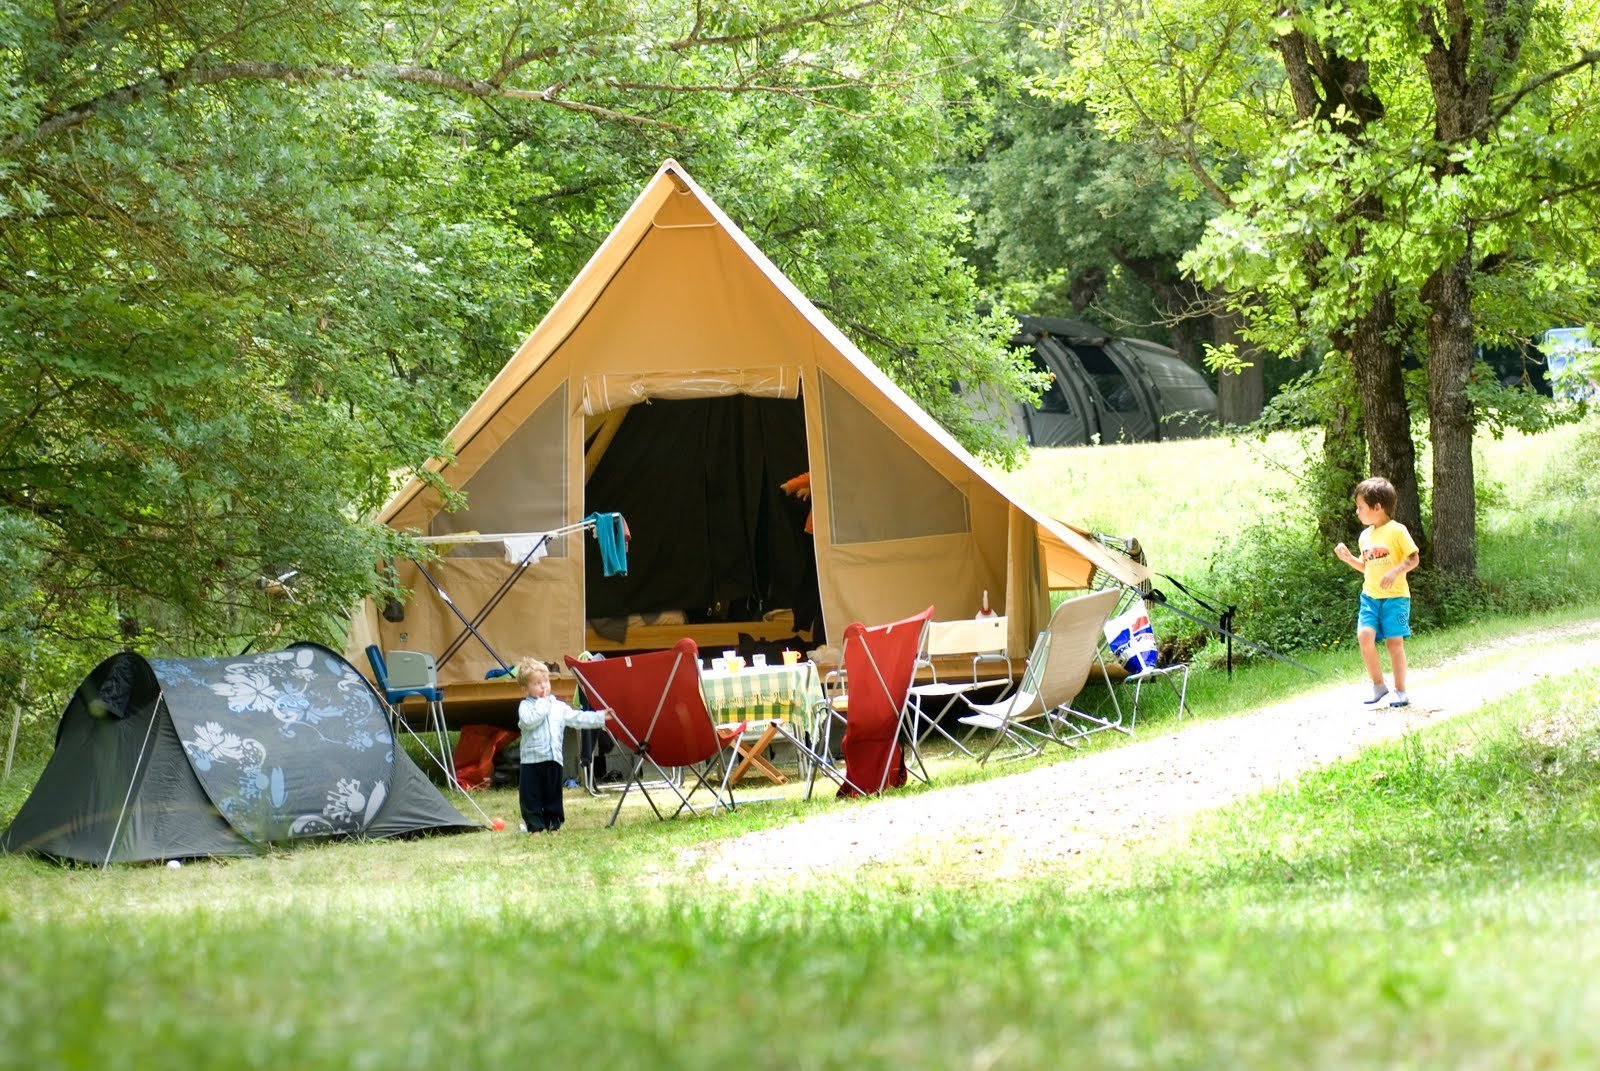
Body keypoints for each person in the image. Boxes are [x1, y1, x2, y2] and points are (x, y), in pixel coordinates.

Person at [1334, 476, 1421, 708]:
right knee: (1364, 636)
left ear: (1377, 507)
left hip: (1396, 598)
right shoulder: (1365, 536)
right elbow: (1367, 567)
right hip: (1370, 598)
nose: (1357, 512)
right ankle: (1378, 685)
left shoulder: (1397, 531)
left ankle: (1400, 691)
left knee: (1394, 643)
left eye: (1360, 507)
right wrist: (1349, 559)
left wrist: (1395, 571)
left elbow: (1414, 558)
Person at [515, 658, 610, 832]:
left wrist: (601, 717)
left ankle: (553, 825)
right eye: (537, 683)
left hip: (553, 759)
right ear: (525, 689)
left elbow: (577, 718)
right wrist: (544, 703)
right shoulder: (526, 706)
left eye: (545, 681)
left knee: (553, 796)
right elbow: (529, 721)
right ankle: (534, 827)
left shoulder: (558, 706)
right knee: (531, 797)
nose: (543, 686)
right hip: (531, 761)